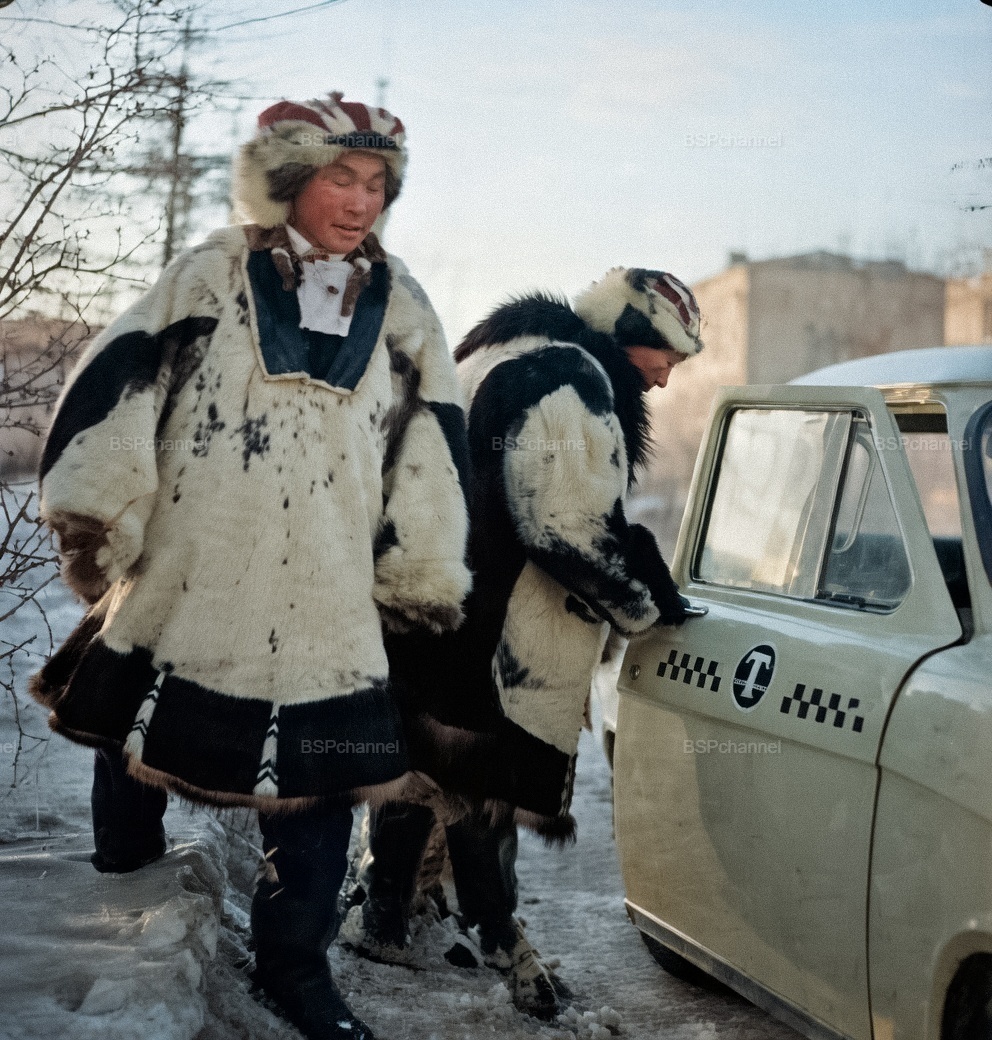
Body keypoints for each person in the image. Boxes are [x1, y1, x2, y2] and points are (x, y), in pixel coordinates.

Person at [30, 92, 472, 1040]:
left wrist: (421, 569)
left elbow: (431, 447)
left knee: (324, 783)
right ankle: (127, 897)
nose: (360, 202)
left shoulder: (407, 310)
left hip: (330, 589)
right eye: (339, 178)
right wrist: (101, 517)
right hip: (198, 562)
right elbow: (121, 382)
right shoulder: (209, 274)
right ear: (289, 181)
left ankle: (295, 972)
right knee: (139, 736)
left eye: (376, 185)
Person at [340, 268, 704, 1018]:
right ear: (631, 332)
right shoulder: (569, 377)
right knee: (480, 782)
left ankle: (383, 918)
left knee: (423, 762)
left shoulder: (507, 346)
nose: (666, 378)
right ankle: (500, 938)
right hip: (488, 621)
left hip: (428, 592)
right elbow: (565, 528)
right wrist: (645, 602)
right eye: (665, 355)